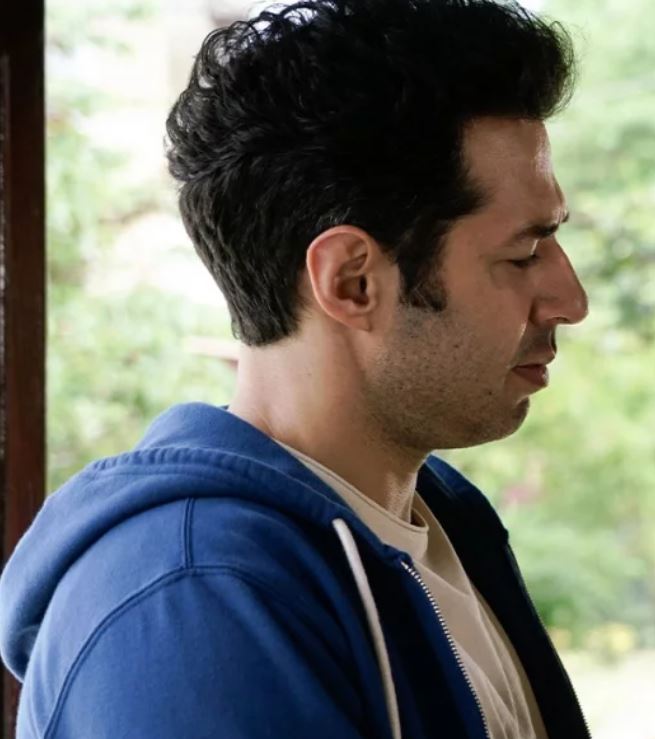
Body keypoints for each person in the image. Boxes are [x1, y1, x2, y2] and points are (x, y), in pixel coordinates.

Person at [0, 1, 590, 737]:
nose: (571, 300)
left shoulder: (444, 525)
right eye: (524, 253)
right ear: (351, 281)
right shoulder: (197, 602)